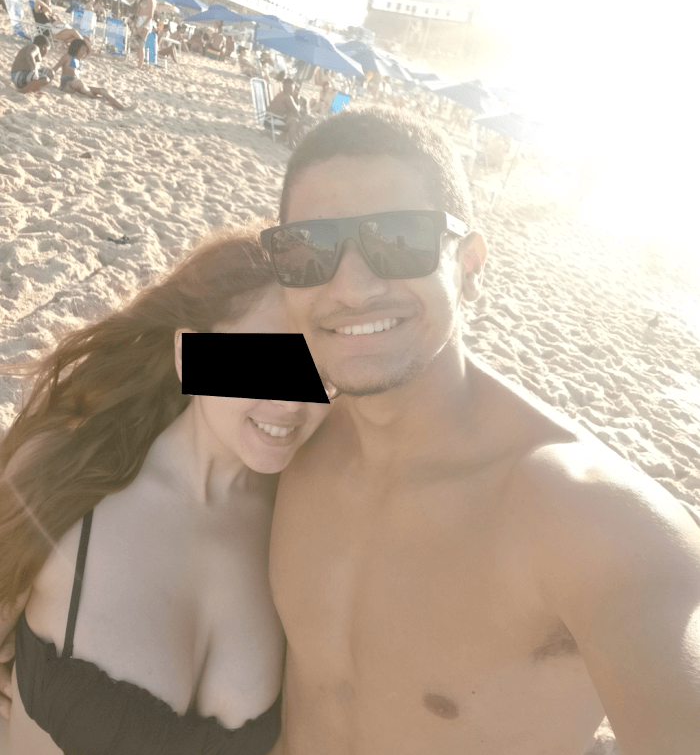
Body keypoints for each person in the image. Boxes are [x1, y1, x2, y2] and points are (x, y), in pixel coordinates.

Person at [264, 106, 700, 754]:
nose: (351, 288)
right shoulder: (293, 408)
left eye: (400, 240)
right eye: (308, 251)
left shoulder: (585, 514)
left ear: (469, 265)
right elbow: (164, 355)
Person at [0, 220, 332, 754]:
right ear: (188, 356)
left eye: (316, 370)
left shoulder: (306, 527)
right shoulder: (64, 478)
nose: (292, 401)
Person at [55, 38, 132, 111]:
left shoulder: (79, 60)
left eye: (86, 51)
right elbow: (55, 68)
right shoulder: (67, 57)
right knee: (79, 82)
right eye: (83, 50)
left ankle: (122, 107)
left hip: (77, 85)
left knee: (104, 90)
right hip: (67, 85)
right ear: (76, 48)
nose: (84, 53)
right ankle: (96, 98)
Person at [266, 77, 304, 147]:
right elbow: (296, 109)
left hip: (269, 119)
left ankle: (294, 140)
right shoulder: (287, 97)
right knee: (294, 121)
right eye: (293, 86)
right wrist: (299, 103)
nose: (294, 88)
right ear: (290, 88)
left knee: (293, 118)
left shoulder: (280, 94)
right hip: (272, 122)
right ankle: (291, 144)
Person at [133, 0, 156, 70]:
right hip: (140, 20)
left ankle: (140, 65)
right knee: (137, 44)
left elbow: (150, 15)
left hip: (146, 22)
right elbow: (139, 11)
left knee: (140, 44)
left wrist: (141, 26)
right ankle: (139, 63)